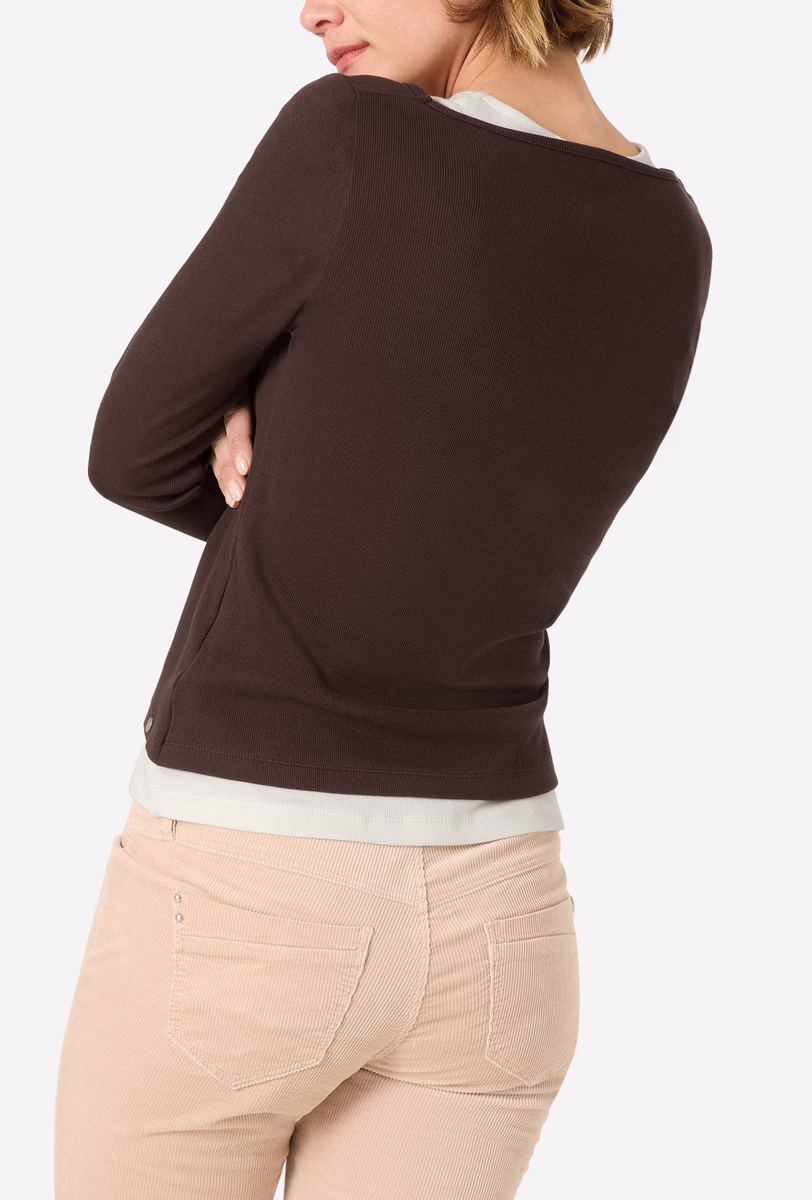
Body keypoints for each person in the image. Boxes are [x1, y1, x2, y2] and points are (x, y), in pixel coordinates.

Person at [54, 1, 712, 1197]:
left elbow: (130, 451)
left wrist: (262, 428)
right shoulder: (674, 234)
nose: (310, 10)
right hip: (506, 915)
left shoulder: (357, 135)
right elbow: (465, 531)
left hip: (249, 890)